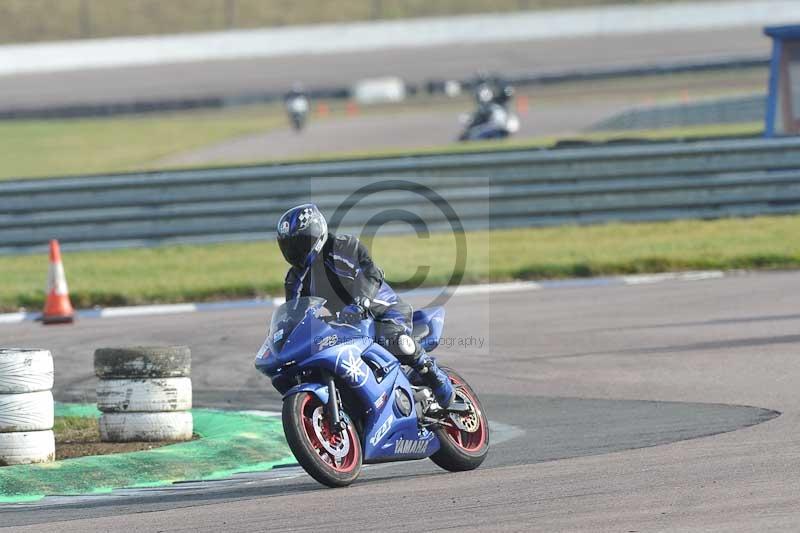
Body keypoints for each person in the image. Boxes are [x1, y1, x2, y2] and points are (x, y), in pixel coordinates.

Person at [275, 203, 454, 408]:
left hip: (385, 310)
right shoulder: (294, 278)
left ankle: (431, 371)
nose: (294, 251)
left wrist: (361, 302)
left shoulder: (344, 247)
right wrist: (282, 334)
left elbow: (371, 273)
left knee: (395, 342)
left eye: (300, 243)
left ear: (317, 233)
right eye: (288, 246)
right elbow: (294, 314)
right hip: (349, 322)